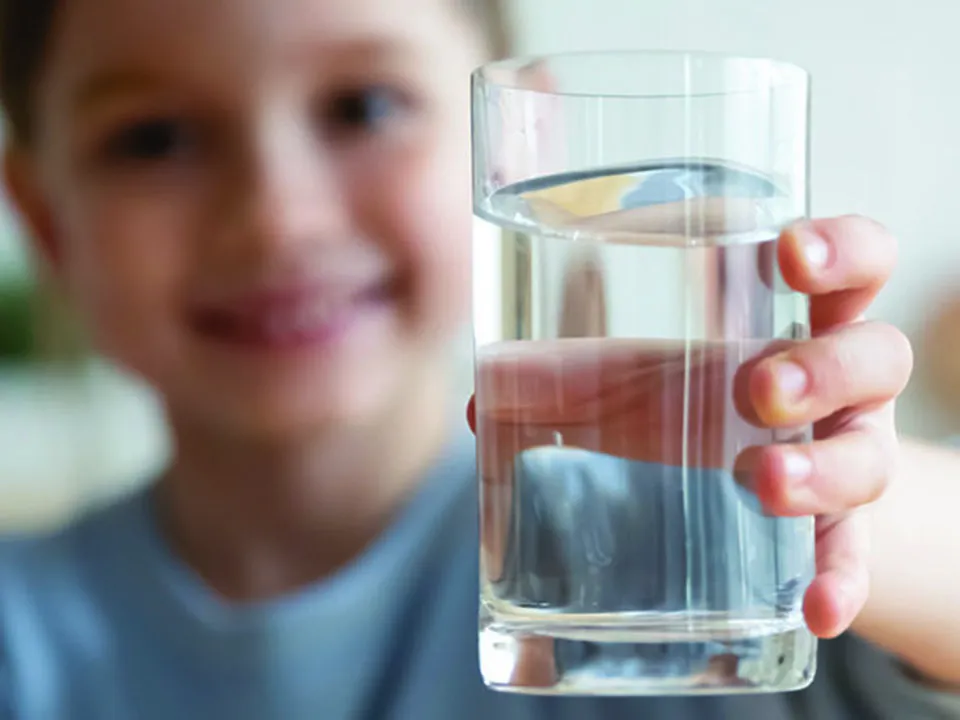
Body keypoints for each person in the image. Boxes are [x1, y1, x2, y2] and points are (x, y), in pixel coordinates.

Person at [0, 0, 955, 718]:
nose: (275, 220)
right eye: (154, 138)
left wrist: (859, 506)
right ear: (43, 219)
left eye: (364, 106)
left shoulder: (704, 551)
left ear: (518, 145)